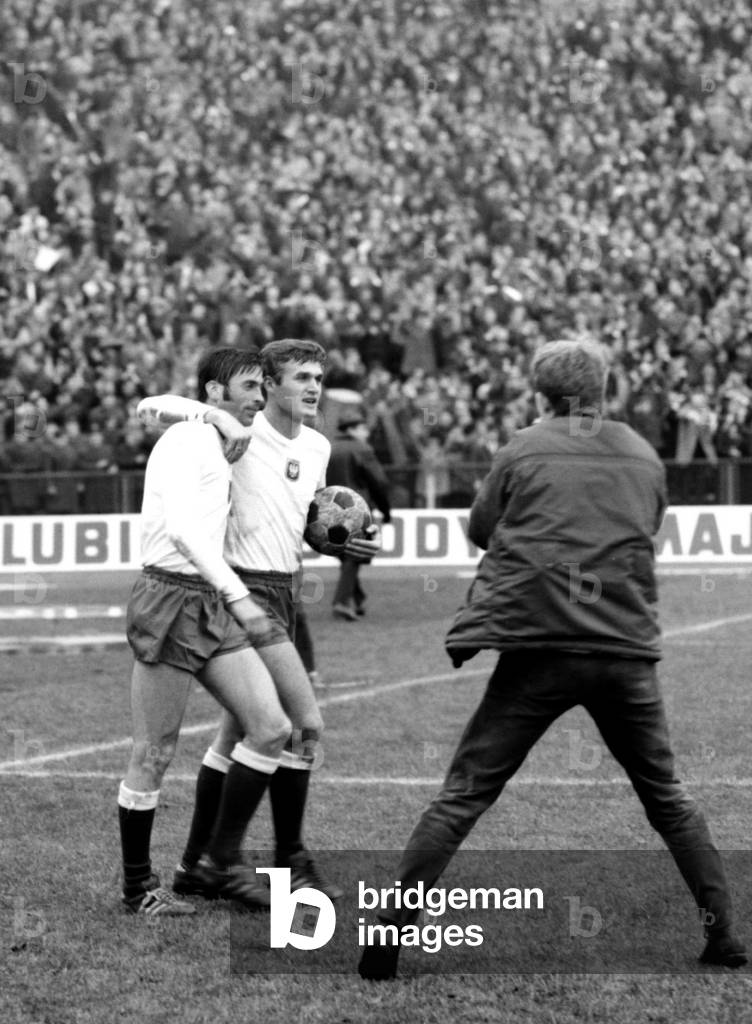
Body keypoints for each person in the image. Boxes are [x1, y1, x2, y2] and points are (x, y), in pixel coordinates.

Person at [358, 339, 747, 979]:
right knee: (668, 798)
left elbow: (482, 529)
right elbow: (646, 526)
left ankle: (389, 935)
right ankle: (724, 934)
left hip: (538, 645)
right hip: (623, 648)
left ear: (540, 394)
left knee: (463, 794)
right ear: (603, 390)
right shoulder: (641, 452)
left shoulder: (523, 446)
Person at [138, 340, 381, 904]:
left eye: (319, 376)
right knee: (293, 725)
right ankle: (270, 859)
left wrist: (342, 541)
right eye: (301, 377)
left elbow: (297, 521)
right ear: (268, 384)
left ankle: (201, 865)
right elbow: (151, 408)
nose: (314, 387)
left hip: (285, 591)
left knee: (246, 732)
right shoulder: (238, 433)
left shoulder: (318, 446)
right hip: (239, 591)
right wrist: (211, 412)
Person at [118, 347, 289, 916]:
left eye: (262, 388)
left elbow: (154, 405)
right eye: (246, 386)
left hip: (208, 600)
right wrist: (241, 599)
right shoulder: (189, 439)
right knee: (155, 751)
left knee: (270, 727)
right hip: (170, 595)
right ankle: (139, 889)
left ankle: (210, 864)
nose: (258, 397)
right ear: (213, 392)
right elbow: (187, 534)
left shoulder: (220, 436)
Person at [326, 412, 391, 621]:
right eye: (363, 428)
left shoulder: (328, 447)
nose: (367, 432)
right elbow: (378, 482)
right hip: (356, 510)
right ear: (352, 430)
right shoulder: (362, 448)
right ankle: (342, 602)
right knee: (354, 555)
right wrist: (386, 510)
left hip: (326, 510)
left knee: (345, 556)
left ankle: (358, 598)